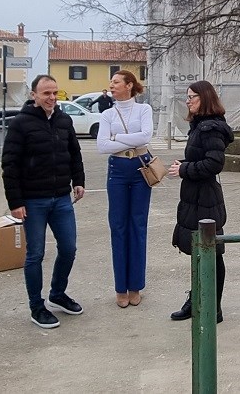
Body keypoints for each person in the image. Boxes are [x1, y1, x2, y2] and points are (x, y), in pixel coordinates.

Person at [1, 74, 86, 329]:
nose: (51, 98)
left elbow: (74, 152)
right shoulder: (20, 124)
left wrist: (78, 180)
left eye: (54, 93)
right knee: (35, 254)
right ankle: (36, 306)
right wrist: (15, 201)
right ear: (34, 95)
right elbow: (10, 164)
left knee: (69, 248)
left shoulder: (63, 119)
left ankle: (57, 294)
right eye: (46, 93)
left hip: (61, 198)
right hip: (33, 201)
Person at [167, 80, 233, 324]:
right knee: (199, 250)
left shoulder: (210, 128)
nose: (188, 100)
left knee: (212, 252)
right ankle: (197, 300)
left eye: (192, 96)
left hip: (205, 197)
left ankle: (213, 308)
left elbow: (215, 163)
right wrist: (185, 166)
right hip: (195, 195)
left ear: (204, 98)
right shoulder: (199, 126)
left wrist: (185, 169)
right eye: (187, 96)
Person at [96, 70, 154, 308]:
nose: (111, 86)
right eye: (111, 82)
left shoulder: (144, 109)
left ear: (129, 85)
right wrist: (131, 138)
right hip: (118, 170)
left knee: (138, 225)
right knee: (118, 226)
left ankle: (135, 286)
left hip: (141, 168)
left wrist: (117, 136)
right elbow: (102, 145)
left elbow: (147, 136)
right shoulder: (107, 113)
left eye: (116, 82)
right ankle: (121, 286)